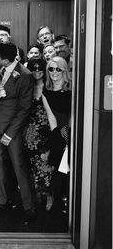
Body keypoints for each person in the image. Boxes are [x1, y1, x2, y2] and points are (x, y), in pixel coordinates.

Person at [0, 43, 36, 222]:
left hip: (13, 131)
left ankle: (28, 206)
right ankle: (3, 201)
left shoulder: (25, 76)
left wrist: (10, 133)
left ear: (6, 58)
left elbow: (25, 109)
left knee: (19, 167)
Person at [24, 58, 58, 210]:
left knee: (46, 163)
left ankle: (50, 195)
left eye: (40, 68)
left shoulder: (49, 86)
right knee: (32, 164)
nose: (37, 71)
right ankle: (37, 193)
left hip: (46, 129)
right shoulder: (27, 86)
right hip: (30, 132)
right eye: (33, 68)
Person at [44, 56, 72, 212]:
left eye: (58, 69)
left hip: (71, 129)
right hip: (57, 131)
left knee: (70, 167)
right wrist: (58, 134)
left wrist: (68, 130)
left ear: (64, 70)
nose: (54, 72)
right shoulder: (45, 91)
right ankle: (58, 200)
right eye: (51, 69)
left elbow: (74, 113)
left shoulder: (71, 89)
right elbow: (50, 116)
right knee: (57, 166)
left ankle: (69, 199)